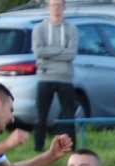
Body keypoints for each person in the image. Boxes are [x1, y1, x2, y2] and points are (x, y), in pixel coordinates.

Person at [32, 0, 78, 152]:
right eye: (53, 5)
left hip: (65, 77)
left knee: (68, 115)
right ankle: (38, 147)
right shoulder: (39, 28)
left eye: (59, 5)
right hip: (45, 77)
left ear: (64, 7)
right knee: (41, 115)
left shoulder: (71, 28)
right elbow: (38, 51)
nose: (56, 8)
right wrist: (60, 50)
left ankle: (70, 146)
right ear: (48, 7)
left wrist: (49, 53)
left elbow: (71, 53)